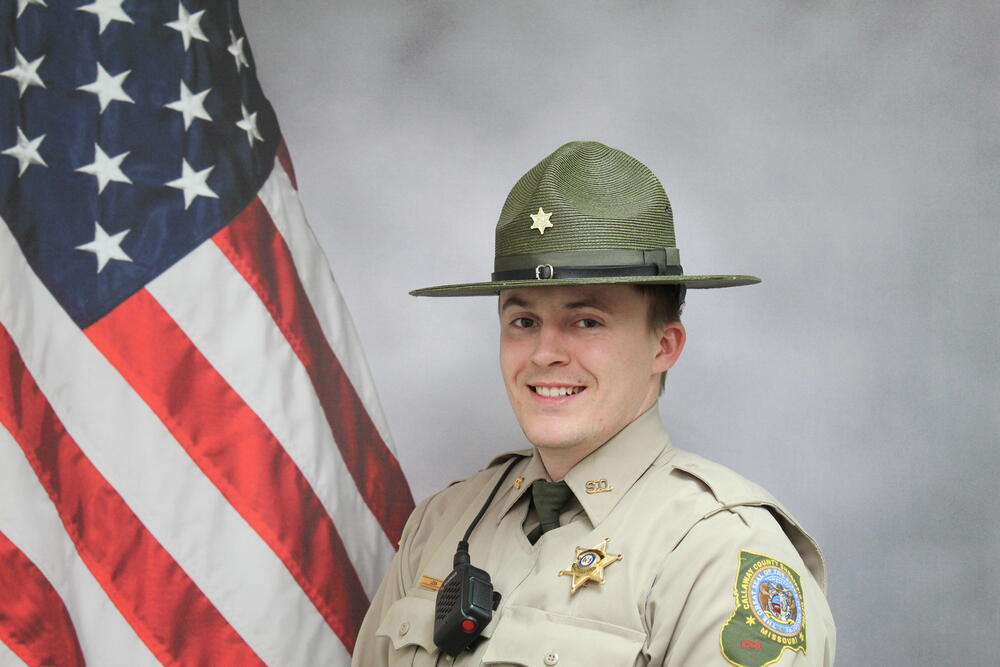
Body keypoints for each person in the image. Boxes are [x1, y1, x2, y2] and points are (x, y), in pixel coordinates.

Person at [352, 141, 835, 666]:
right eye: (523, 322)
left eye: (587, 321)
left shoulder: (719, 552)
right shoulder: (443, 522)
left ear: (663, 346)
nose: (544, 354)